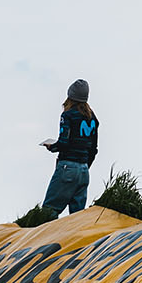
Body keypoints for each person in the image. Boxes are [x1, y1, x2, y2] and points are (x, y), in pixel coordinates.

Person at [39, 78, 99, 218]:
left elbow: (63, 143)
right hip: (84, 170)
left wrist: (51, 147)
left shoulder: (68, 115)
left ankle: (47, 239)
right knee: (76, 217)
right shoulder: (93, 119)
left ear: (70, 96)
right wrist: (84, 166)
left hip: (67, 167)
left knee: (49, 210)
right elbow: (94, 149)